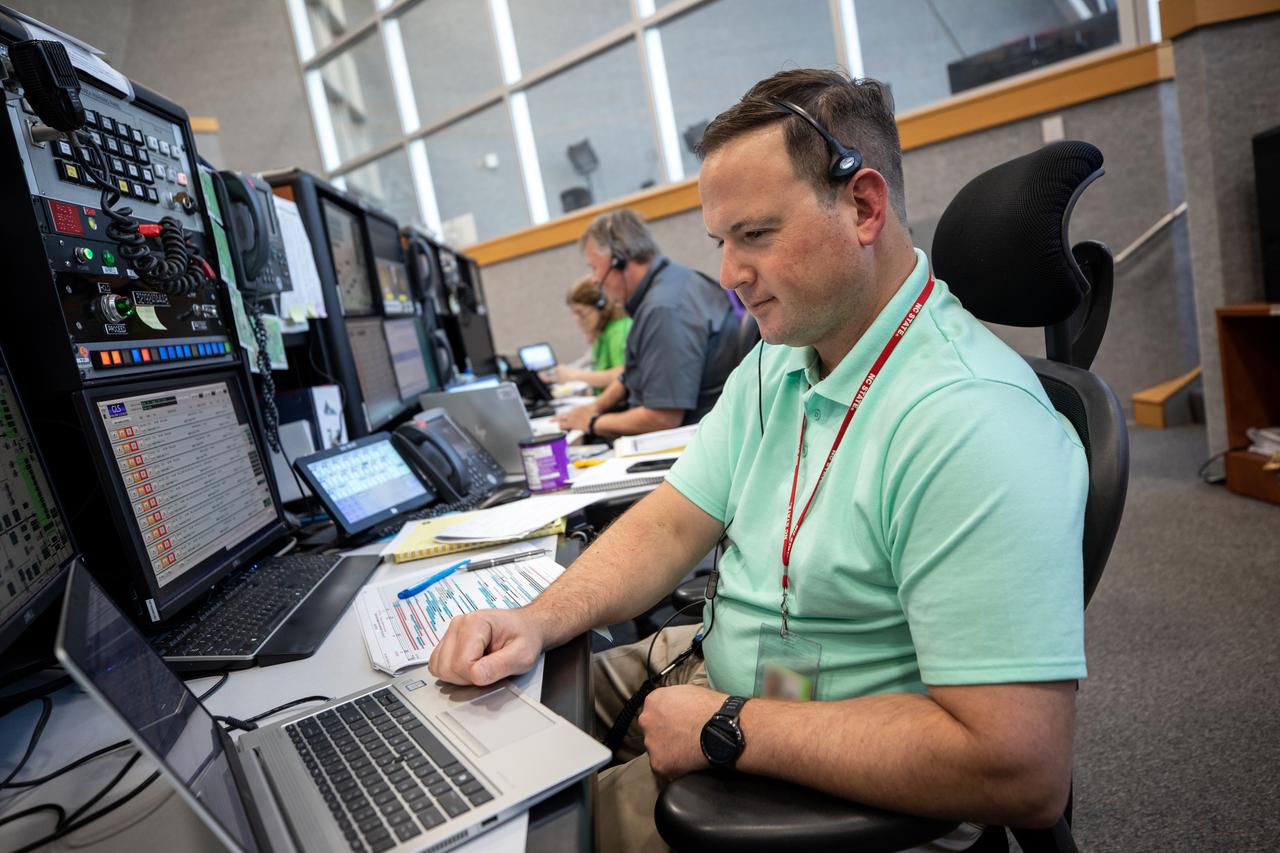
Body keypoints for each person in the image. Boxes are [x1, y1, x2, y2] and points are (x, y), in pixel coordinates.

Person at [429, 69, 1088, 852]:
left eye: (756, 235)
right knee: (465, 734)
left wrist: (731, 725)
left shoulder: (972, 420)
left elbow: (1021, 769)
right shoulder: (785, 355)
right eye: (721, 242)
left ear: (864, 207)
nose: (729, 275)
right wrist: (534, 618)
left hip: (814, 774)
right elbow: (672, 523)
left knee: (513, 836)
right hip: (716, 673)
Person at [555, 209, 736, 439]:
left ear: (619, 261)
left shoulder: (663, 310)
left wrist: (592, 422)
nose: (595, 279)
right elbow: (632, 374)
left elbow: (663, 418)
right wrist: (595, 407)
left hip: (685, 440)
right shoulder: (674, 282)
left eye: (594, 268)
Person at [540, 275, 632, 392]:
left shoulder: (619, 329)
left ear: (600, 306)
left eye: (580, 313)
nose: (577, 319)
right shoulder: (602, 333)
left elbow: (622, 374)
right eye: (574, 314)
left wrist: (573, 375)